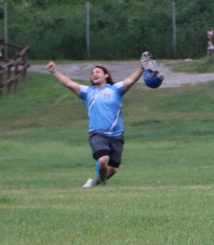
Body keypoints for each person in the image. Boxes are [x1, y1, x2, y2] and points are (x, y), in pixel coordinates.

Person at [46, 58, 146, 188]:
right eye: (92, 73)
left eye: (98, 72)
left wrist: (142, 68)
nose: (94, 74)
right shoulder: (88, 92)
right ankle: (103, 184)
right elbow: (69, 83)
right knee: (103, 160)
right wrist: (54, 71)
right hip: (98, 134)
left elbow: (130, 80)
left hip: (117, 135)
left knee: (113, 169)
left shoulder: (115, 90)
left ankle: (96, 182)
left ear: (106, 75)